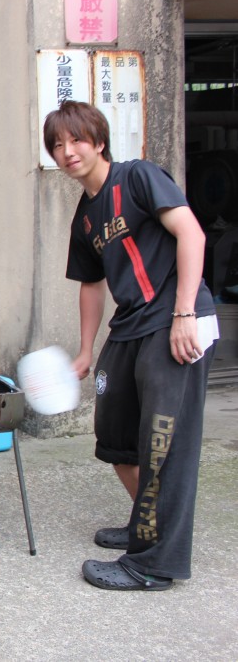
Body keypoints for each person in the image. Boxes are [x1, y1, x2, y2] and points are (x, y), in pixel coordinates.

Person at [43, 100, 219, 591]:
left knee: (164, 443)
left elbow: (191, 233)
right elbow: (90, 283)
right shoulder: (85, 216)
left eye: (76, 139)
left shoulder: (138, 177)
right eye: (57, 145)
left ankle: (153, 564)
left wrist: (184, 313)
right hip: (130, 325)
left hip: (174, 318)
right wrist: (85, 350)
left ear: (99, 141)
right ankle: (148, 522)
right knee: (116, 434)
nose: (67, 151)